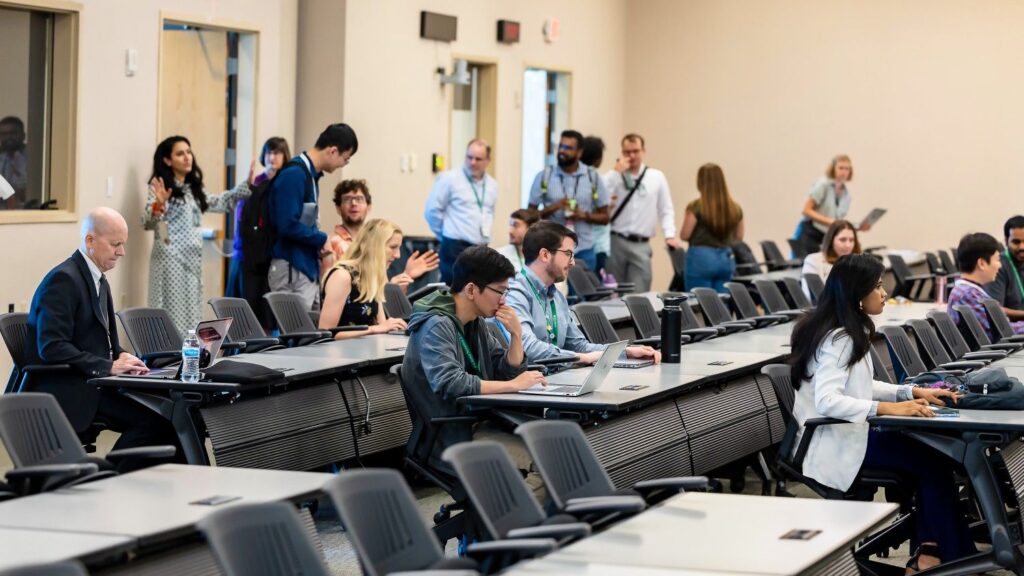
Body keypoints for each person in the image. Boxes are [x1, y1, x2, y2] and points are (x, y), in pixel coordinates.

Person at [789, 254, 972, 571]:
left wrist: (912, 392)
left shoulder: (842, 329)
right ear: (857, 294)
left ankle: (932, 551)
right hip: (837, 443)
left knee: (934, 454)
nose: (884, 292)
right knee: (934, 459)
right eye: (876, 286)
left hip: (847, 435)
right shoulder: (840, 339)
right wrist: (887, 407)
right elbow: (828, 401)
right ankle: (938, 555)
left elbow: (860, 384)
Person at [26, 207, 181, 461]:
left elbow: (104, 342)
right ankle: (111, 474)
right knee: (159, 421)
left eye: (123, 244)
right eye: (115, 244)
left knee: (173, 414)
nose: (122, 252)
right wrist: (108, 366)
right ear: (90, 241)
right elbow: (51, 346)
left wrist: (124, 357)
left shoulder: (98, 279)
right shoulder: (63, 280)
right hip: (72, 388)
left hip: (97, 381)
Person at [403, 245, 547, 471]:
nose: (504, 301)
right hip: (457, 434)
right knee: (549, 462)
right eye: (500, 291)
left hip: (486, 421)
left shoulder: (475, 321)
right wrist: (512, 386)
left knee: (559, 447)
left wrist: (516, 336)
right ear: (471, 290)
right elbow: (451, 382)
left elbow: (504, 369)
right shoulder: (436, 325)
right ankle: (510, 497)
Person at [508, 221, 660, 363]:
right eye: (568, 254)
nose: (573, 262)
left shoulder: (557, 297)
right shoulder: (515, 293)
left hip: (560, 376)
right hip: (532, 380)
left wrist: (625, 352)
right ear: (545, 255)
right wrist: (581, 358)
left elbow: (579, 346)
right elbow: (527, 347)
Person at [144, 135, 252, 334]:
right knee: (170, 316)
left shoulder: (193, 188)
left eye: (188, 152)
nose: (187, 157)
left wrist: (245, 187)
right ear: (167, 160)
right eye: (180, 153)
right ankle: (167, 352)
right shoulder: (160, 187)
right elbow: (149, 223)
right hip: (170, 262)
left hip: (192, 262)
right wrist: (159, 204)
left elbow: (218, 202)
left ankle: (189, 353)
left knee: (191, 317)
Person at [268, 123, 357, 312]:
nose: (343, 164)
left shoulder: (310, 175)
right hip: (292, 268)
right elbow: (287, 225)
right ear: (333, 151)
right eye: (345, 159)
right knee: (295, 329)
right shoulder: (294, 175)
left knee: (312, 327)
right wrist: (321, 238)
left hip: (305, 268)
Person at [605, 133, 682, 292]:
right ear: (622, 153)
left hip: (641, 243)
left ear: (643, 151)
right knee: (612, 292)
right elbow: (600, 198)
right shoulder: (614, 176)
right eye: (627, 152)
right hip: (616, 240)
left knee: (640, 291)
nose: (632, 156)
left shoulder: (656, 177)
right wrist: (614, 174)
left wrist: (669, 234)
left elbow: (666, 209)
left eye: (636, 151)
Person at [327, 178, 439, 287]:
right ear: (338, 208)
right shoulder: (330, 243)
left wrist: (407, 275)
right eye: (347, 199)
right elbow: (330, 286)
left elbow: (380, 292)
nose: (354, 203)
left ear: (369, 207)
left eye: (359, 199)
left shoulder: (376, 240)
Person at [528, 130, 610, 272]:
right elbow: (529, 217)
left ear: (579, 152)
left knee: (582, 287)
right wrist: (554, 207)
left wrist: (584, 215)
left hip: (584, 251)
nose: (562, 151)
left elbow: (605, 217)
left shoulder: (593, 177)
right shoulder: (544, 176)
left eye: (568, 148)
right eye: (560, 146)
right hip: (552, 250)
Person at [319, 219, 409, 339]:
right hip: (344, 350)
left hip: (366, 347)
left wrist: (391, 326)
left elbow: (382, 326)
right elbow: (326, 334)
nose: (398, 255)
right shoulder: (342, 276)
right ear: (373, 246)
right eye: (393, 247)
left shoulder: (372, 277)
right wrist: (373, 329)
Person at [425, 139, 498, 285]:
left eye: (478, 159)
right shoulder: (449, 179)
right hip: (455, 247)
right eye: (469, 157)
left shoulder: (492, 185)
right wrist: (446, 234)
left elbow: (490, 213)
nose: (472, 162)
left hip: (481, 248)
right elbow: (432, 211)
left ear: (487, 161)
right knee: (455, 290)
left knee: (477, 290)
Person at [228, 137, 290, 311]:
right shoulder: (255, 182)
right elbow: (241, 217)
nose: (272, 157)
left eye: (277, 153)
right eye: (269, 152)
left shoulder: (286, 184)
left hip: (274, 255)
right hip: (249, 254)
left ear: (285, 155)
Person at [679, 163, 744, 292]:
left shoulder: (695, 206)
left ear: (700, 182)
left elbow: (685, 234)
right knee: (721, 301)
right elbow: (739, 237)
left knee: (699, 299)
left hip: (701, 258)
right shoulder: (735, 208)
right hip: (725, 258)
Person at [948, 232, 1024, 341]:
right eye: (997, 260)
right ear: (982, 263)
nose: (1000, 265)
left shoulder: (968, 291)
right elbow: (1002, 331)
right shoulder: (968, 295)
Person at [797, 155, 868, 256]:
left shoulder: (846, 194)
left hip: (827, 235)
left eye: (847, 169)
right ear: (833, 168)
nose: (844, 172)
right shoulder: (823, 185)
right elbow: (806, 210)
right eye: (841, 168)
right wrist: (831, 221)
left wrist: (858, 227)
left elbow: (838, 220)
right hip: (810, 232)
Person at [800, 219, 862, 299]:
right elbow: (810, 296)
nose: (848, 245)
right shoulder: (813, 260)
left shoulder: (859, 262)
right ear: (831, 240)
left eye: (851, 240)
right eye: (842, 240)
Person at [580, 136, 611, 274]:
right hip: (596, 244)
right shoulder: (595, 178)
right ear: (598, 157)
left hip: (585, 243)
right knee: (594, 282)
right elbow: (604, 216)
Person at [986, 215, 1024, 321]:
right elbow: (996, 309)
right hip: (1012, 327)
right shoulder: (998, 266)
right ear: (1006, 241)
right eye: (1016, 242)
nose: (1022, 247)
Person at [495, 208, 540, 273]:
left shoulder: (543, 258)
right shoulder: (500, 255)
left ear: (531, 229)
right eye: (510, 225)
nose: (510, 231)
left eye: (515, 225)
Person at [0, 116, 28, 208]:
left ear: (23, 135)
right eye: (4, 134)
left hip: (27, 209)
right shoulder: (2, 157)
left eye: (13, 133)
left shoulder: (33, 157)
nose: (8, 137)